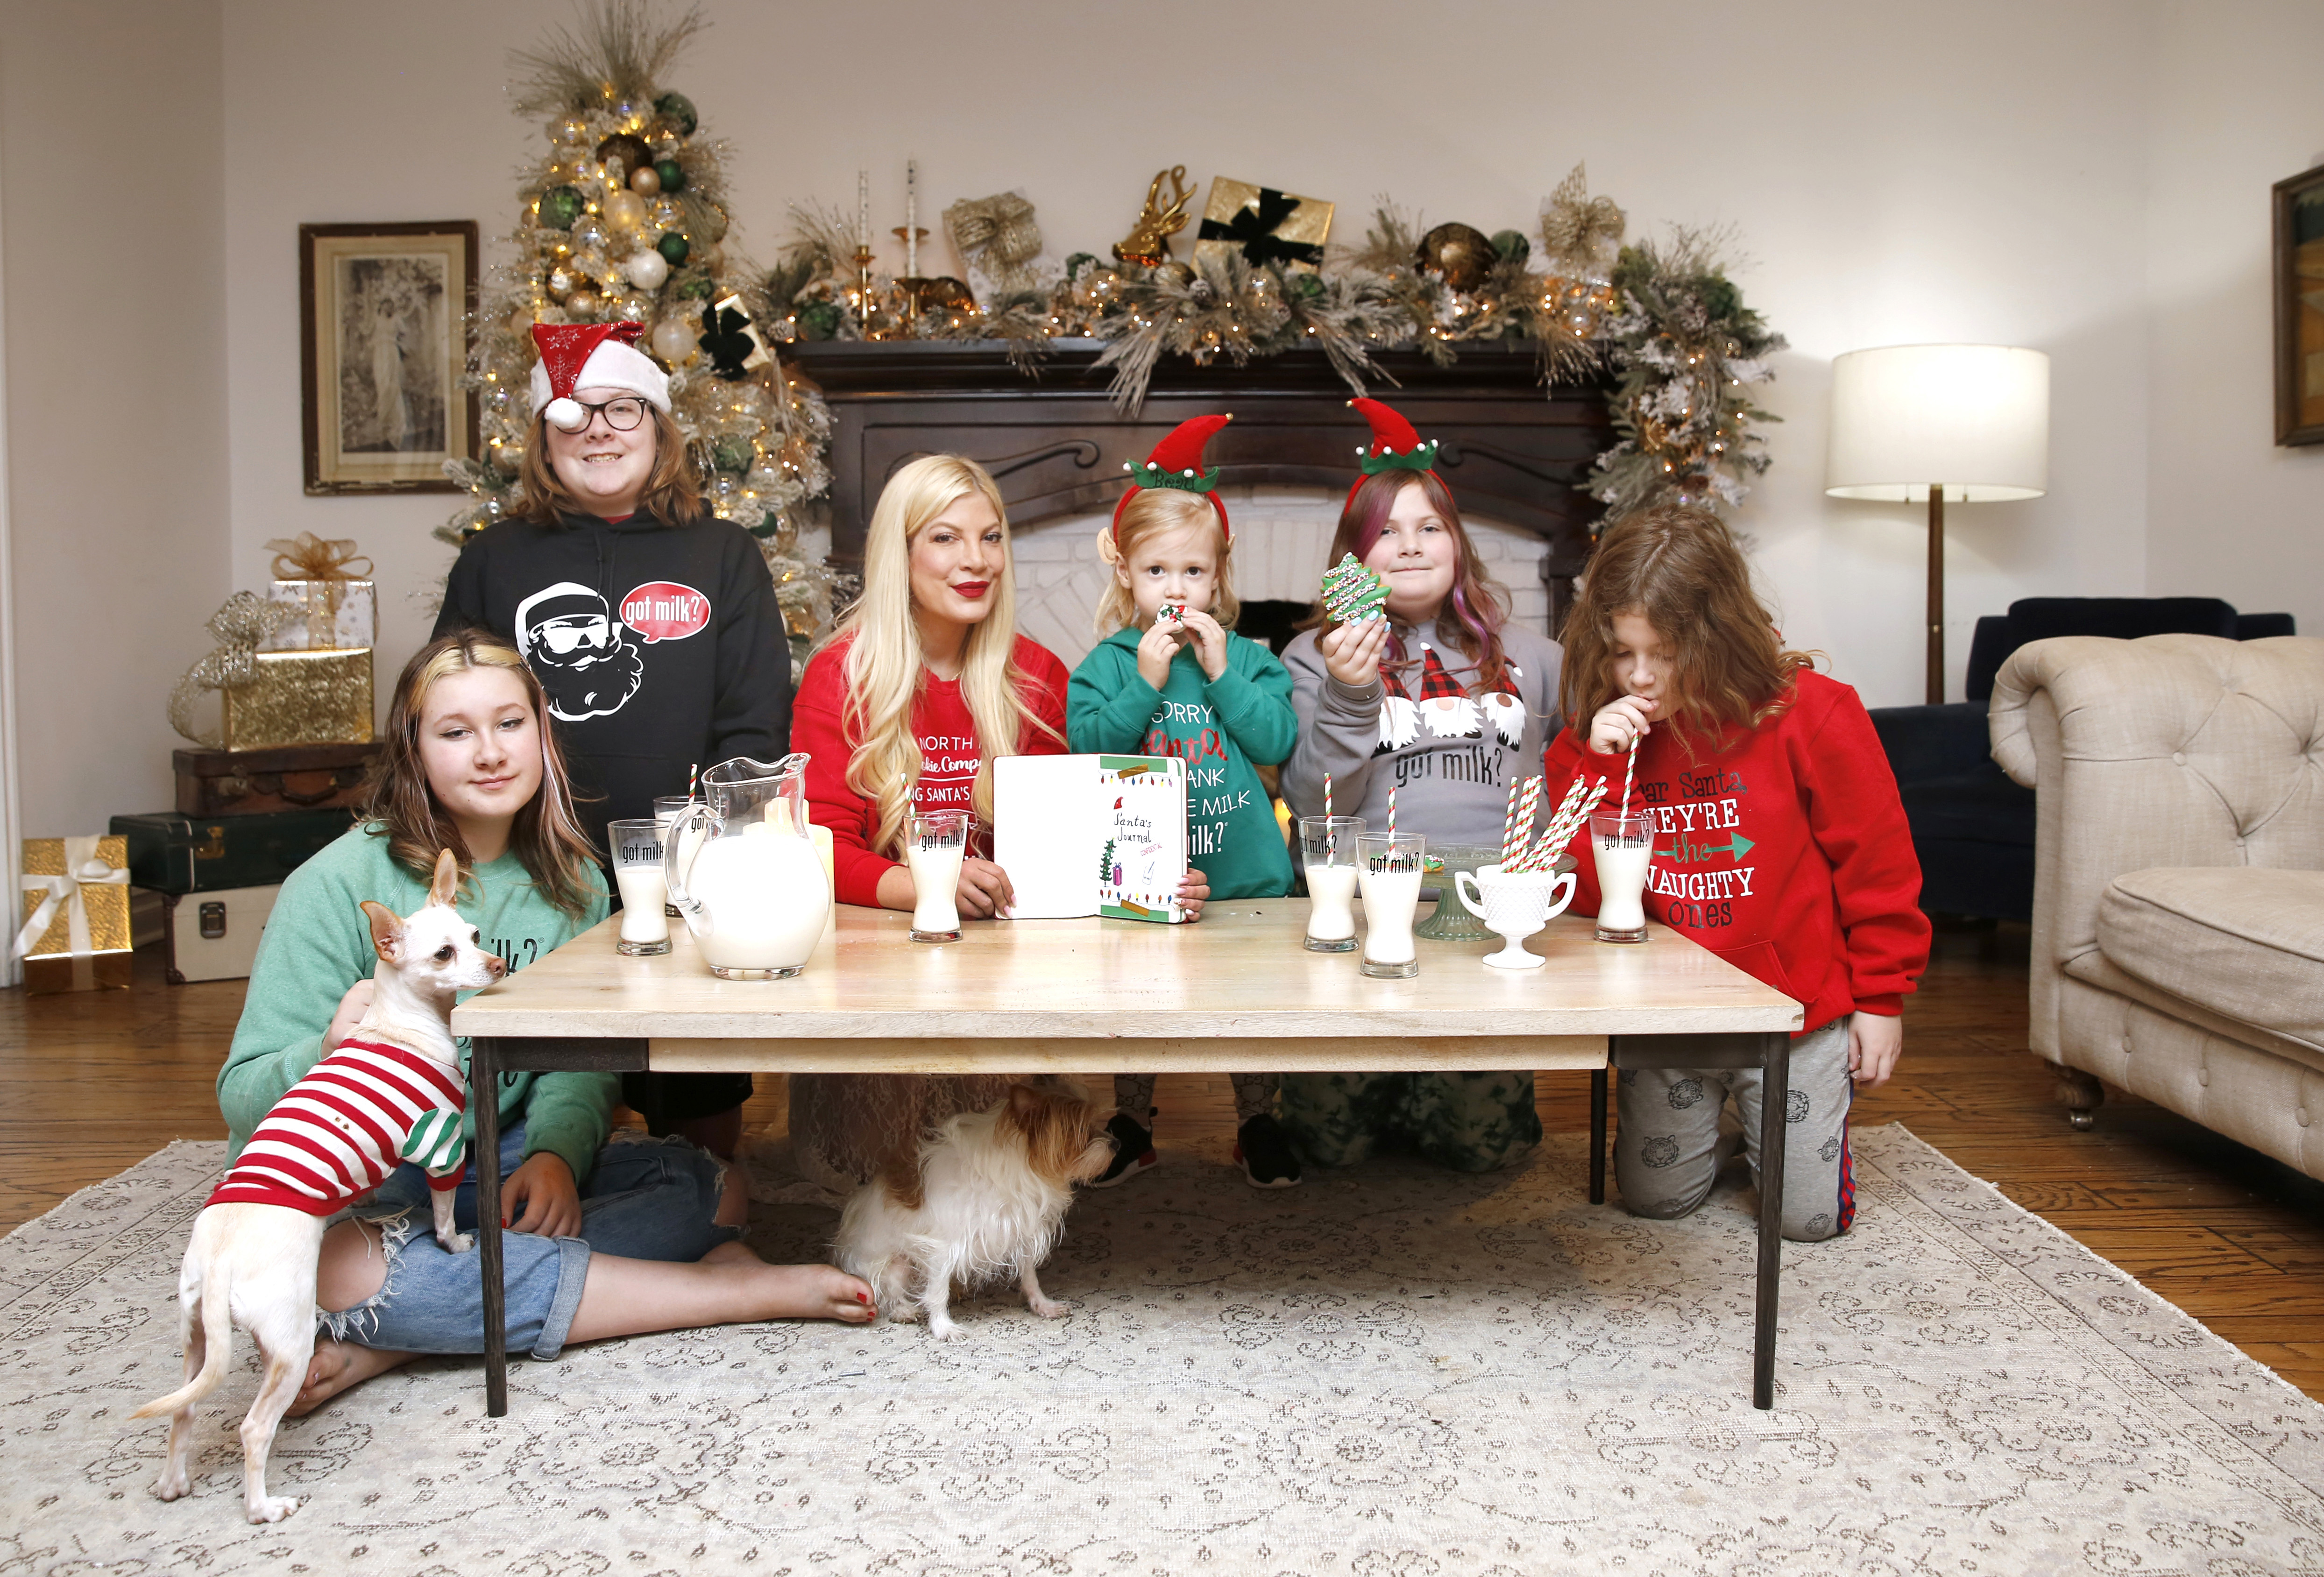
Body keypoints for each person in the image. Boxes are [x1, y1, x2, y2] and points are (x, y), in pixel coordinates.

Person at [217, 632, 873, 1416]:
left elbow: (579, 1058)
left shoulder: (571, 883)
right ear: (413, 749)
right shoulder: (334, 886)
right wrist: (323, 1053)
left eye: (510, 725)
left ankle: (403, 1334)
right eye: (455, 732)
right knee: (337, 1272)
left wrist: (559, 1154)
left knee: (715, 1188)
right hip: (361, 1185)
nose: (489, 753)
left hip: (492, 1161)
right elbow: (240, 1097)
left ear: (542, 732)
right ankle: (717, 1292)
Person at [788, 453, 1210, 1190]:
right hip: (884, 972)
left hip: (1006, 972)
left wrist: (1154, 880)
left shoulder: (1037, 675)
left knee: (1012, 1180)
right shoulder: (840, 675)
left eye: (992, 538)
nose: (976, 561)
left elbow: (1075, 842)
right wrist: (930, 883)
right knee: (883, 1181)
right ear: (903, 552)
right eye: (947, 539)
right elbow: (816, 848)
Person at [433, 320, 790, 1158]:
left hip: (680, 855)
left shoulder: (723, 552)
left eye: (623, 408)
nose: (598, 428)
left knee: (692, 1070)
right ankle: (530, 1172)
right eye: (573, 413)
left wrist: (715, 842)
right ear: (542, 438)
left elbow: (754, 714)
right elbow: (447, 700)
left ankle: (710, 1193)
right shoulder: (493, 560)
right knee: (539, 1055)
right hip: (531, 859)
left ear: (659, 427)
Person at [1545, 502, 1930, 1241]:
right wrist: (1598, 766)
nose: (1641, 677)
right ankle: (1732, 1138)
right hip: (1672, 1018)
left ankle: (1782, 1142)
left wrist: (1881, 998)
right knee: (1656, 1203)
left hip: (1796, 1017)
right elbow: (1591, 900)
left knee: (1808, 1221)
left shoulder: (1814, 713)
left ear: (1717, 636)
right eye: (1625, 652)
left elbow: (1880, 868)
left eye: (1663, 652)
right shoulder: (1598, 741)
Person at [1276, 399, 1568, 1173]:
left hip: (1486, 928)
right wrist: (1349, 689)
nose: (1409, 547)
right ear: (1354, 560)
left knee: (1482, 1149)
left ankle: (1448, 1092)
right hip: (1369, 920)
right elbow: (1311, 799)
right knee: (1330, 1148)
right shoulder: (1313, 655)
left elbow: (1599, 752)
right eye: (1385, 533)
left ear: (1459, 543)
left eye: (1429, 527)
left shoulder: (1536, 657)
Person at [1066, 416, 1303, 1189]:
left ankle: (1256, 1120)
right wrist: (1146, 683)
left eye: (1193, 573)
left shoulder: (1249, 659)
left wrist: (1223, 669)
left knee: (1251, 1008)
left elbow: (1274, 740)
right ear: (1126, 576)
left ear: (1218, 581)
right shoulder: (1106, 665)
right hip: (1148, 879)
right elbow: (1090, 755)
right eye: (1157, 570)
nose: (1175, 589)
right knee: (1139, 1007)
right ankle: (1134, 1124)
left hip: (1244, 875)